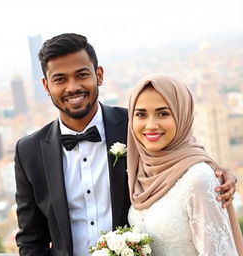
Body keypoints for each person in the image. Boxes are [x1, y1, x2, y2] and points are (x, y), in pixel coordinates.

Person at [14, 33, 236, 256]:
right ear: (46, 85)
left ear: (99, 75)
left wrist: (219, 174)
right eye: (60, 79)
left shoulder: (138, 127)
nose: (72, 87)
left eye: (81, 75)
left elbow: (183, 154)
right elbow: (31, 240)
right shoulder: (29, 152)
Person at [127, 73, 243, 255]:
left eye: (163, 113)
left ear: (183, 115)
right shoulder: (139, 169)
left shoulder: (198, 177)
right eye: (141, 114)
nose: (150, 125)